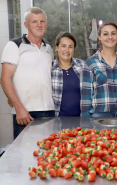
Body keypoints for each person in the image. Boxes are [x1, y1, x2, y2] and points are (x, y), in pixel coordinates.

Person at [0, 7, 55, 139]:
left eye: (42, 21)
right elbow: (4, 79)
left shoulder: (49, 49)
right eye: (34, 22)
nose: (39, 25)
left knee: (48, 155)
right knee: (25, 157)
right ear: (26, 25)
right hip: (25, 114)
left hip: (49, 112)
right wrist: (19, 109)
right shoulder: (14, 45)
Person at [80, 21, 117, 118]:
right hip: (99, 116)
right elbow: (86, 97)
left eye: (113, 34)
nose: (110, 37)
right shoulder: (90, 63)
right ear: (99, 37)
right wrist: (86, 121)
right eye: (105, 34)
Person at [52, 32, 84, 117]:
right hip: (57, 120)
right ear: (57, 47)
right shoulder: (50, 69)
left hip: (81, 120)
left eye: (70, 47)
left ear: (74, 49)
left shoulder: (83, 66)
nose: (67, 50)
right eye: (63, 46)